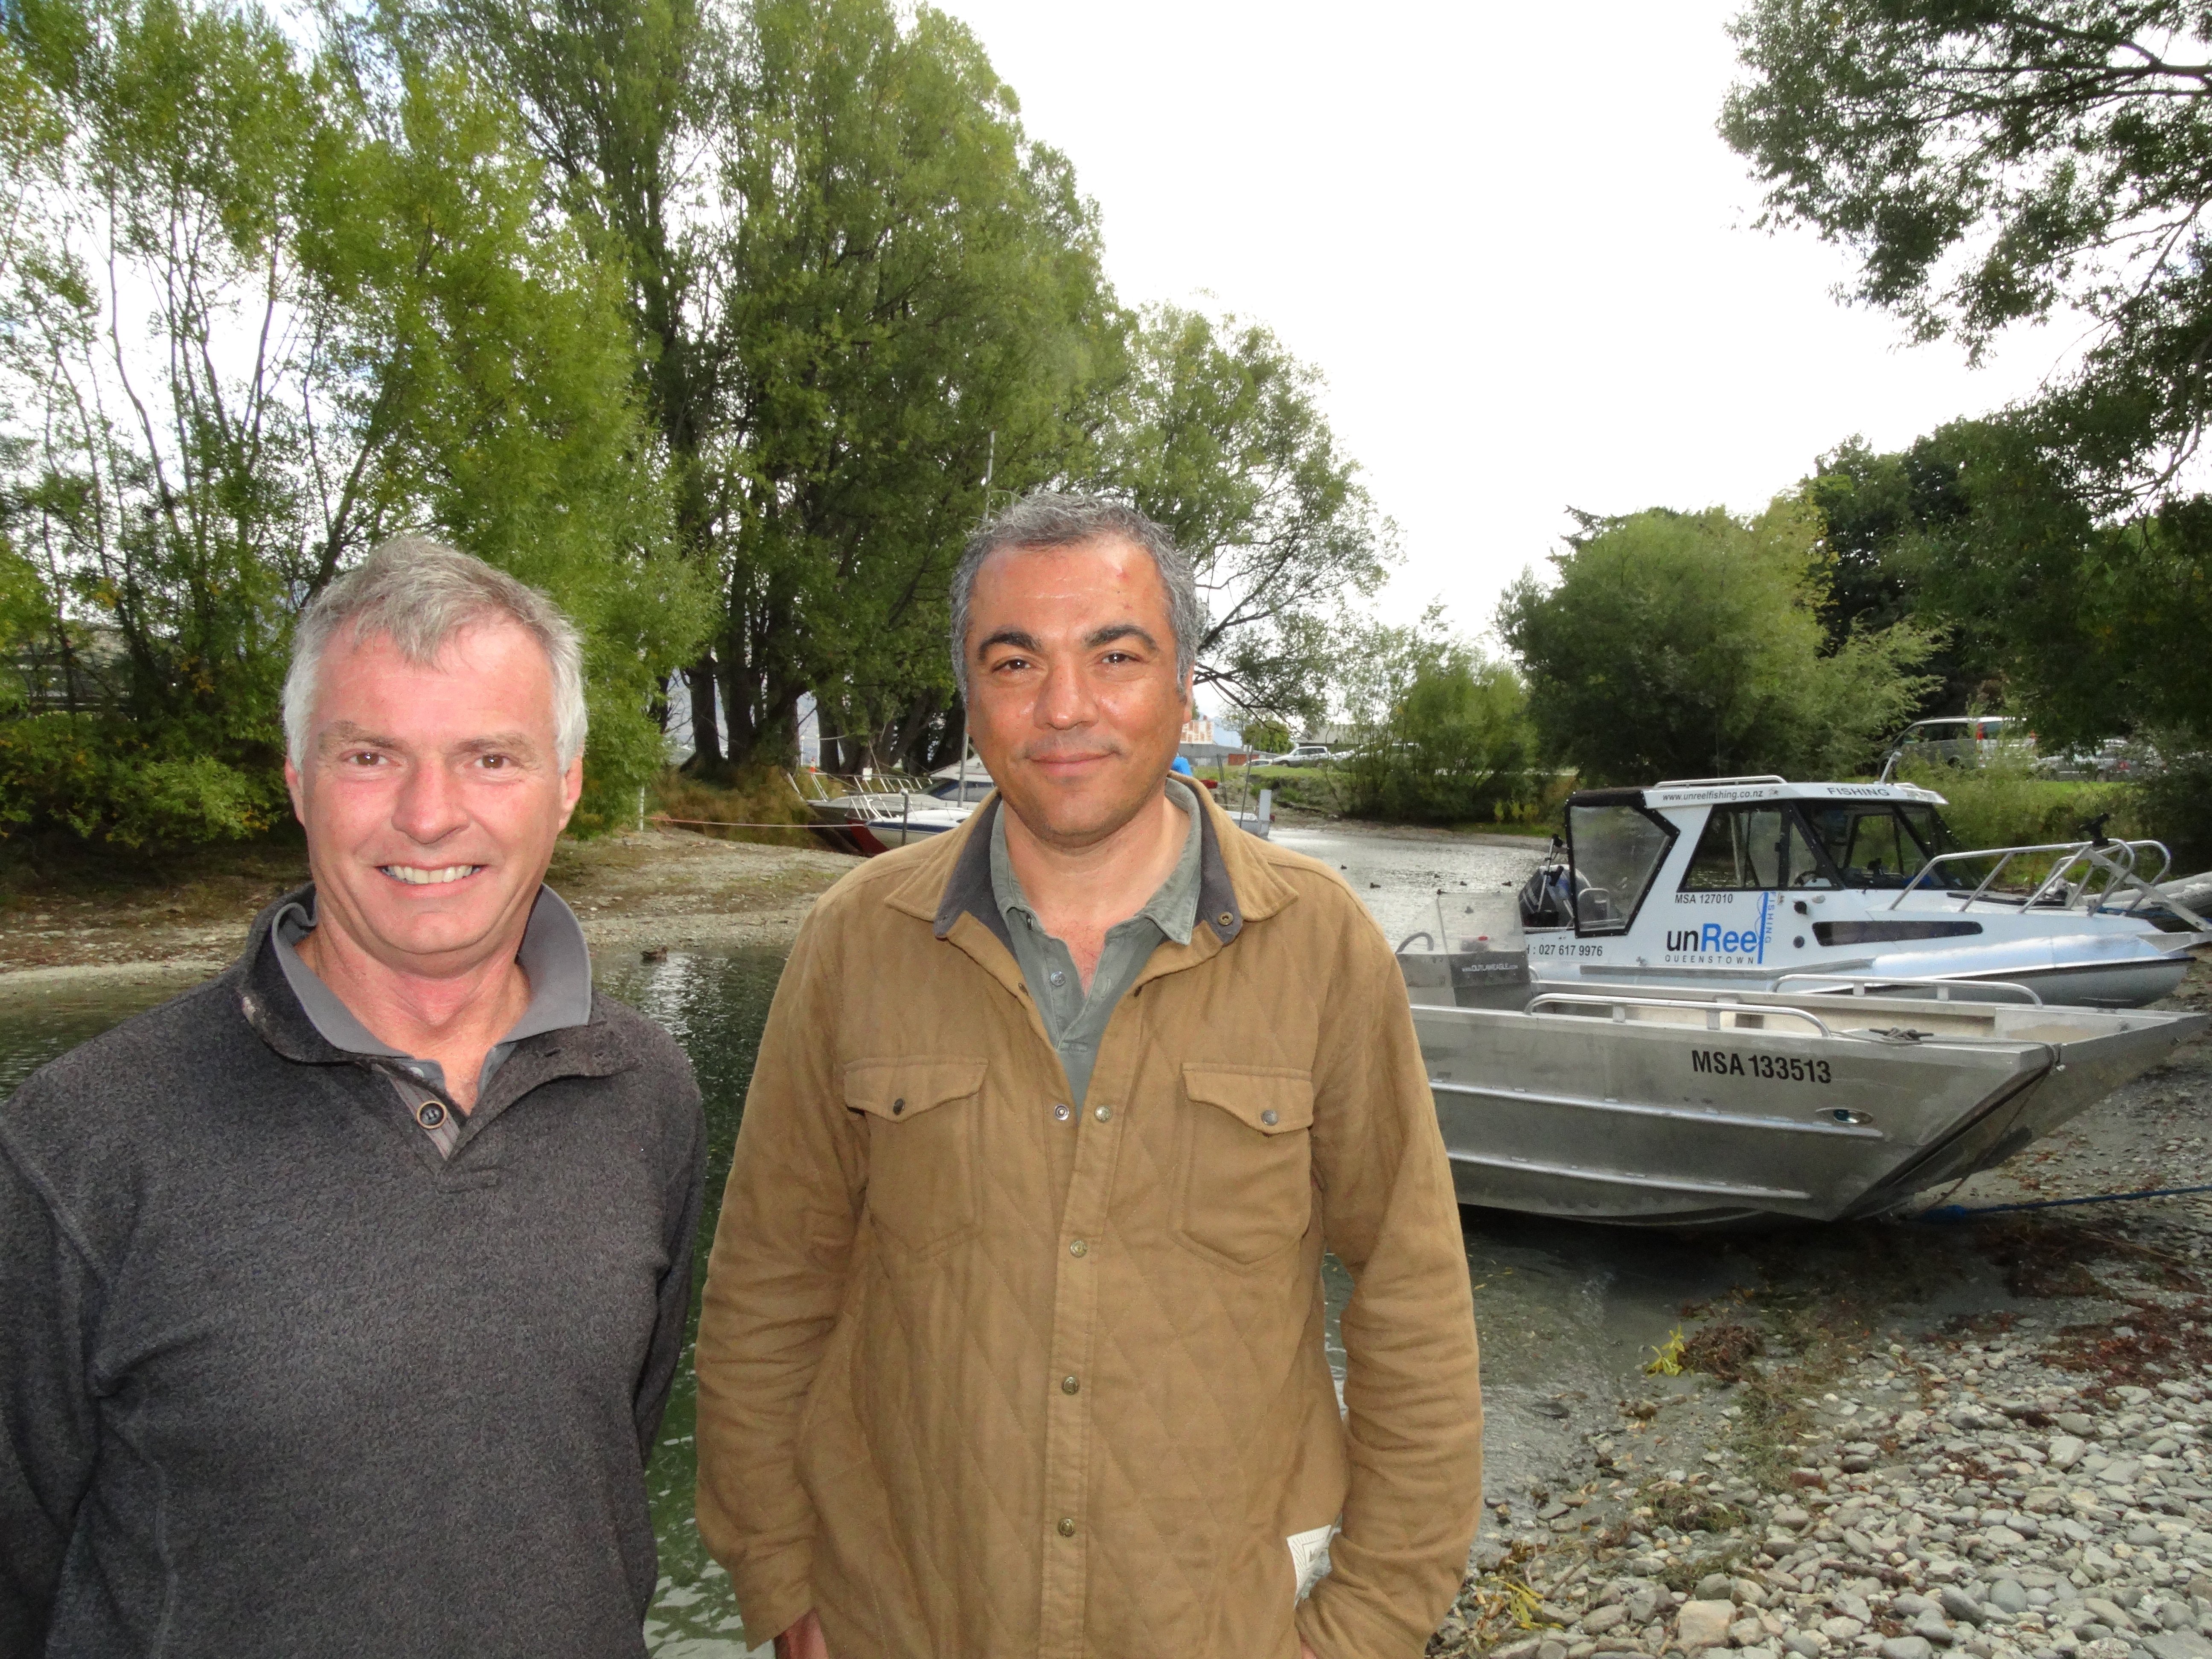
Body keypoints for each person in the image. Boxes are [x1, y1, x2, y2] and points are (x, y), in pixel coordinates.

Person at [693, 492, 1482, 1659]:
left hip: (1227, 1627)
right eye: (1015, 663)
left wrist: (1367, 1626)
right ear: (970, 699)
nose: (1064, 708)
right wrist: (781, 1586)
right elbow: (768, 1288)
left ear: (1185, 686)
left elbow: (1414, 1308)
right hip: (901, 1618)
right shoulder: (853, 943)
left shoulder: (1322, 946)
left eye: (1115, 655)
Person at [0, 538, 706, 1658]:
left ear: (566, 786)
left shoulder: (646, 1095)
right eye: (371, 755)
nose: (430, 816)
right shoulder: (81, 1140)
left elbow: (610, 1452)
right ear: (297, 779)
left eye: (490, 758)